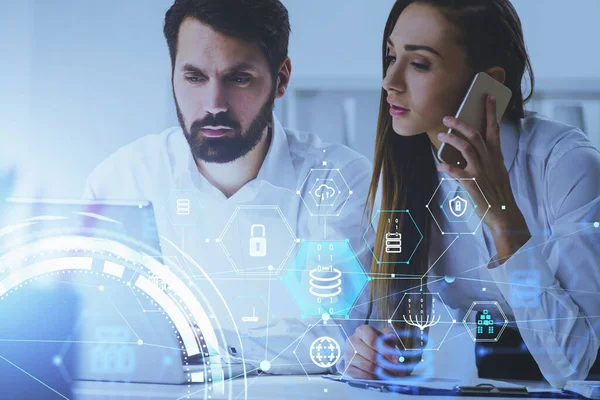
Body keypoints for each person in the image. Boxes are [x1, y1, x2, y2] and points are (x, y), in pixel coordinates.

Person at [84, 0, 372, 374]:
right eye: (194, 78)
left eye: (238, 78)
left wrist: (181, 344)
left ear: (281, 79)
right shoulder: (124, 179)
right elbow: (92, 325)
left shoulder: (339, 180)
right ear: (172, 74)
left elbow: (332, 339)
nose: (213, 104)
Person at [345, 0, 600, 388]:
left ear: (488, 84)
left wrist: (502, 216)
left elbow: (578, 363)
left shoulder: (565, 165)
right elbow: (388, 335)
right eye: (390, 56)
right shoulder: (401, 178)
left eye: (418, 64)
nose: (389, 82)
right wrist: (370, 353)